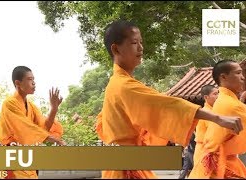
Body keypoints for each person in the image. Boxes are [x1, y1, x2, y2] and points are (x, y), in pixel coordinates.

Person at [95, 20, 243, 179]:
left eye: (141, 42)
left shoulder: (117, 84)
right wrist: (218, 118)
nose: (141, 48)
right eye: (134, 42)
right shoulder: (123, 86)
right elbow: (167, 106)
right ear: (116, 49)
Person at [0, 66, 65, 179]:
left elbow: (43, 128)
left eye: (34, 79)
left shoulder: (31, 106)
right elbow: (25, 127)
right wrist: (53, 139)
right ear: (18, 83)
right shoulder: (9, 104)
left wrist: (54, 109)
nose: (34, 83)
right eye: (30, 79)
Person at [189, 60, 246, 178]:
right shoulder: (229, 104)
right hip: (218, 164)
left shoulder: (227, 100)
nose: (242, 77)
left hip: (218, 160)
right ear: (224, 77)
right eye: (238, 73)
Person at [193, 85, 219, 165]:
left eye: (218, 93)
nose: (218, 96)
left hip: (211, 150)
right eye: (215, 94)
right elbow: (216, 132)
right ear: (206, 97)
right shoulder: (206, 112)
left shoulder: (214, 111)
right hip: (204, 151)